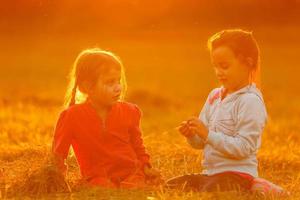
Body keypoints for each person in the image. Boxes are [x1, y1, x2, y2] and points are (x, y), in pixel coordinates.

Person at [166, 29, 284, 195]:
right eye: (215, 66)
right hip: (210, 174)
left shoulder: (250, 101)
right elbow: (201, 143)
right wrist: (192, 135)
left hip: (237, 174)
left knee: (213, 191)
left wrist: (207, 134)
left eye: (224, 66)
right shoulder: (214, 95)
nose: (218, 72)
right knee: (171, 186)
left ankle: (256, 187)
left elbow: (244, 147)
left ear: (248, 63)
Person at [52, 48, 161, 189]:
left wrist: (146, 166)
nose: (118, 88)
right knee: (103, 189)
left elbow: (137, 145)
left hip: (131, 172)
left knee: (134, 187)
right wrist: (57, 180)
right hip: (96, 177)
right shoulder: (72, 116)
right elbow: (58, 154)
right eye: (110, 82)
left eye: (118, 81)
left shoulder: (130, 111)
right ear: (87, 87)